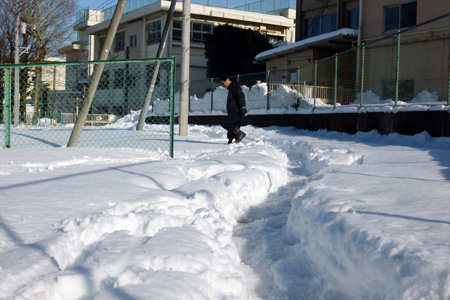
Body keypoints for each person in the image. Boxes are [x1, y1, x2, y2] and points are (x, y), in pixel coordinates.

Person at [219, 74, 247, 144]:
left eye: (223, 83)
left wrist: (242, 107)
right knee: (233, 125)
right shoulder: (232, 87)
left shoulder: (234, 87)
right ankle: (232, 140)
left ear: (228, 80)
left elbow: (240, 96)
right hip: (234, 111)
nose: (223, 85)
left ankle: (240, 134)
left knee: (225, 123)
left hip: (237, 110)